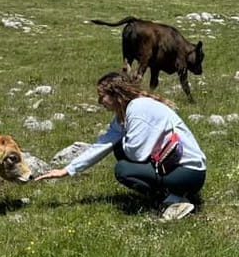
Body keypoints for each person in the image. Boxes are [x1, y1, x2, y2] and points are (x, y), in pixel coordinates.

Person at [35, 71, 207, 221]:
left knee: (123, 169)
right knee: (117, 148)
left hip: (188, 172)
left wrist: (122, 137)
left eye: (101, 96)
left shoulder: (138, 109)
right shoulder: (126, 112)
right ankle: (174, 197)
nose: (99, 101)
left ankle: (173, 200)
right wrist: (67, 170)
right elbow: (101, 145)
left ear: (115, 94)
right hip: (182, 169)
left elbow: (136, 154)